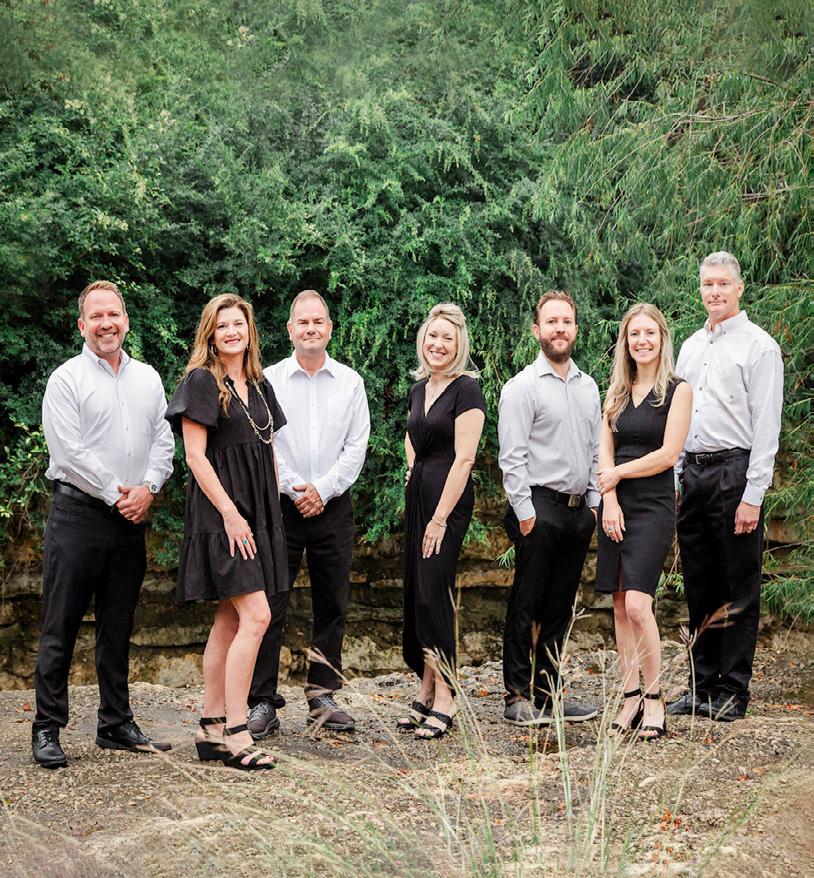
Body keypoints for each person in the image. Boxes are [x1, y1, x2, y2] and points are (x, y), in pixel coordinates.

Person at [32, 280, 175, 769]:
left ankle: (115, 723)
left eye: (113, 314)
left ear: (126, 320)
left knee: (118, 625)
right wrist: (120, 492)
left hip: (130, 518)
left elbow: (163, 439)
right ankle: (47, 727)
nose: (106, 323)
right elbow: (68, 452)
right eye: (96, 316)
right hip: (78, 516)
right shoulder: (66, 380)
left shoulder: (148, 378)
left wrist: (149, 487)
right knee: (61, 624)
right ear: (82, 325)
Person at [166, 293, 287, 770]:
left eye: (238, 324)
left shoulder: (259, 383)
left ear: (249, 331)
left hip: (257, 514)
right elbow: (195, 457)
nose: (232, 332)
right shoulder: (201, 381)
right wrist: (232, 515)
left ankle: (211, 726)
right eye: (222, 326)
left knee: (229, 619)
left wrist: (270, 516)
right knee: (256, 617)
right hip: (222, 514)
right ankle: (238, 731)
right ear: (210, 335)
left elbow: (267, 450)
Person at [247, 290, 370, 737]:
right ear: (290, 329)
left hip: (333, 505)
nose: (311, 328)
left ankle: (322, 695)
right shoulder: (269, 380)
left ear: (330, 329)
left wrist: (323, 489)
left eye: (318, 321)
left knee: (332, 601)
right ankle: (262, 700)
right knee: (271, 601)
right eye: (303, 322)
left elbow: (356, 446)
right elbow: (265, 443)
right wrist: (297, 488)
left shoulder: (350, 383)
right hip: (281, 505)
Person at [668, 252, 783, 722]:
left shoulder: (759, 347)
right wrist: (676, 474)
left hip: (735, 472)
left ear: (739, 288)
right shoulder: (691, 346)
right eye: (707, 284)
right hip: (694, 473)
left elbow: (767, 426)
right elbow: (678, 416)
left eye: (722, 284)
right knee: (700, 581)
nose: (714, 292)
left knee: (738, 583)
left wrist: (753, 494)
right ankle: (701, 685)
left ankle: (733, 690)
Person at [498, 290, 600, 726]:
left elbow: (595, 451)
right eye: (552, 322)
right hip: (539, 508)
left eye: (567, 322)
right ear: (537, 330)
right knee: (527, 603)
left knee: (559, 608)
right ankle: (517, 696)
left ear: (575, 329)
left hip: (578, 513)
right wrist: (526, 514)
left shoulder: (589, 386)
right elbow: (512, 458)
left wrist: (593, 506)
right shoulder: (522, 388)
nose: (560, 329)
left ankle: (548, 695)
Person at [595, 304, 692, 741]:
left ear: (662, 338)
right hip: (615, 503)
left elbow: (669, 455)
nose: (642, 341)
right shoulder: (616, 392)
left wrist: (618, 474)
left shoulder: (678, 391)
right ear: (626, 342)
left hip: (653, 503)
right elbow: (604, 452)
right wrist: (609, 499)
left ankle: (655, 698)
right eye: (634, 334)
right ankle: (630, 695)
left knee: (638, 603)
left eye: (649, 333)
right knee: (618, 604)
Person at [398, 303, 485, 740]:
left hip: (446, 505)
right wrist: (413, 470)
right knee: (419, 593)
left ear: (458, 345)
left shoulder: (466, 389)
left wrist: (439, 519)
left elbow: (465, 458)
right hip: (419, 497)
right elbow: (411, 436)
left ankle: (447, 696)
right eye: (432, 336)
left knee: (435, 593)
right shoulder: (420, 389)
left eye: (447, 338)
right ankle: (426, 689)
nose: (438, 344)